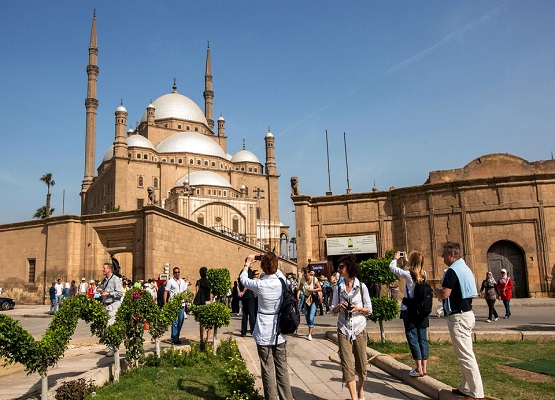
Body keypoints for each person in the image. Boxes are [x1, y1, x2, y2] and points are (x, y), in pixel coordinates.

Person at [240, 252, 293, 400]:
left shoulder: (260, 284)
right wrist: (270, 260)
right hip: (280, 330)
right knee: (282, 369)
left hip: (264, 330)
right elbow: (279, 272)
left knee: (267, 369)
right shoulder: (281, 281)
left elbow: (243, 280)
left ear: (263, 267)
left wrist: (248, 263)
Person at [434, 241, 484, 400]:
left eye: (444, 255)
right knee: (464, 353)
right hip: (467, 314)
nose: (443, 258)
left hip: (459, 317)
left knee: (466, 355)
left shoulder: (451, 271)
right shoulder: (465, 268)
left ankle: (476, 394)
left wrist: (436, 291)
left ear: (452, 255)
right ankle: (465, 387)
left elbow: (445, 294)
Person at [331, 255, 372, 400]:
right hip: (343, 328)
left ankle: (361, 389)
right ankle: (354, 397)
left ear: (349, 267)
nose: (339, 270)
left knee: (361, 364)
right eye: (338, 267)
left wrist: (357, 309)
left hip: (359, 328)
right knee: (347, 365)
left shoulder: (361, 287)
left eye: (341, 267)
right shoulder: (338, 287)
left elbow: (369, 309)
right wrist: (338, 306)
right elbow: (332, 309)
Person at [389, 250, 430, 377]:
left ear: (412, 261)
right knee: (422, 338)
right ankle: (424, 367)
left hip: (409, 309)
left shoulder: (408, 274)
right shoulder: (424, 274)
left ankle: (418, 368)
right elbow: (414, 270)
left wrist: (396, 258)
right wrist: (407, 260)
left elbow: (392, 268)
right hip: (421, 310)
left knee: (412, 337)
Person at [98, 262, 123, 357]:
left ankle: (112, 348)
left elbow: (120, 293)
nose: (102, 270)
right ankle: (112, 346)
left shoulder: (116, 280)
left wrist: (109, 294)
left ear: (109, 269)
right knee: (105, 327)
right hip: (106, 305)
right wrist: (101, 290)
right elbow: (104, 290)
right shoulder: (105, 280)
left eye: (104, 268)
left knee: (109, 326)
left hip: (113, 305)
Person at [164, 267, 188, 345]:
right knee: (175, 321)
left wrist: (185, 299)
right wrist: (165, 303)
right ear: (173, 273)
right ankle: (174, 338)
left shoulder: (182, 281)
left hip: (181, 304)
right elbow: (166, 291)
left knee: (180, 321)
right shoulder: (170, 281)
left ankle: (176, 335)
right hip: (173, 304)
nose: (177, 273)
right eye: (175, 272)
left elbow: (184, 291)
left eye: (178, 272)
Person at [298, 266, 322, 341]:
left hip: (313, 299)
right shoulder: (302, 280)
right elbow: (299, 289)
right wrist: (297, 295)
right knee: (306, 316)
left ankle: (310, 334)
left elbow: (320, 288)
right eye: (304, 274)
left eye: (307, 274)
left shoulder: (314, 279)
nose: (306, 276)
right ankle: (311, 325)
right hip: (306, 298)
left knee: (311, 316)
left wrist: (312, 290)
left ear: (309, 273)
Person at [195, 266, 213, 342]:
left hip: (201, 302)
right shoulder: (209, 282)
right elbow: (211, 294)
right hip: (208, 301)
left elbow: (196, 292)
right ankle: (208, 338)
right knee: (208, 321)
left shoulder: (198, 282)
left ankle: (201, 338)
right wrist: (211, 302)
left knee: (201, 322)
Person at [238, 264, 256, 337]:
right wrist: (243, 291)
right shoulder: (249, 271)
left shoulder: (242, 271)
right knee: (251, 314)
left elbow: (238, 283)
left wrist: (239, 292)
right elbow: (247, 283)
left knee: (245, 314)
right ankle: (253, 331)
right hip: (249, 294)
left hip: (243, 296)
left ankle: (243, 332)